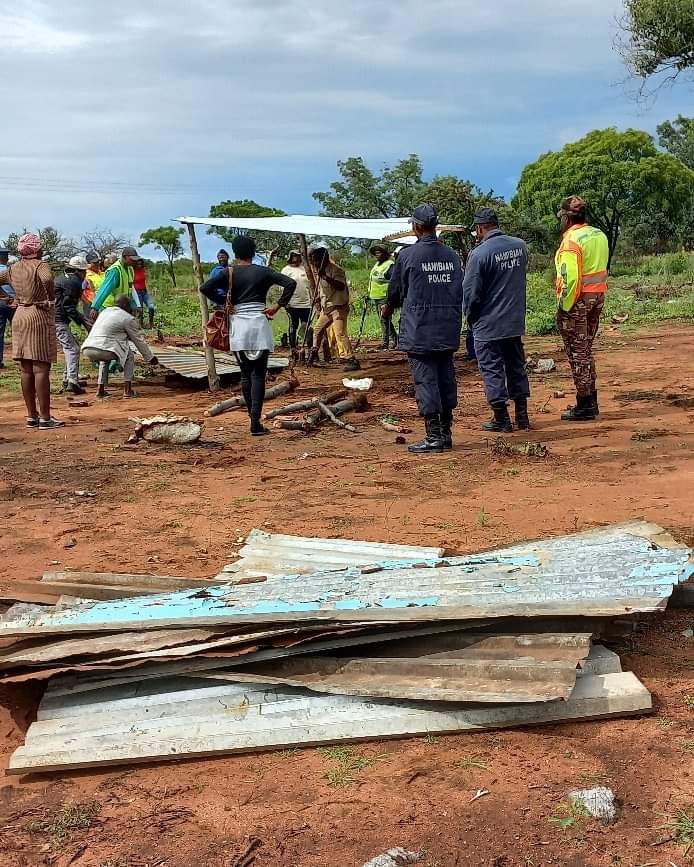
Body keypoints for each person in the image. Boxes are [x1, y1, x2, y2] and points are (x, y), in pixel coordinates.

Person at [383, 204, 464, 453]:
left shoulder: (407, 256)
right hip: (448, 327)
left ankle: (434, 436)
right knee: (445, 377)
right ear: (434, 226)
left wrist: (387, 308)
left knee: (426, 380)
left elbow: (395, 291)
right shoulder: (452, 255)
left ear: (416, 227)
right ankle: (446, 433)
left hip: (420, 329)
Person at [200, 235, 297, 435]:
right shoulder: (264, 271)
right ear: (254, 252)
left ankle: (252, 418)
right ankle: (255, 421)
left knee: (246, 375)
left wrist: (225, 302)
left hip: (239, 326)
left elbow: (205, 288)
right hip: (260, 324)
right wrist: (277, 306)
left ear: (234, 253)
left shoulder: (229, 272)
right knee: (259, 374)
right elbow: (290, 284)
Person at [463, 208, 531, 433]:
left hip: (488, 323)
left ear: (480, 228)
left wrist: (469, 317)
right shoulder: (520, 246)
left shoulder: (479, 254)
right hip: (513, 321)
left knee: (492, 368)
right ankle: (522, 416)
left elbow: (471, 293)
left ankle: (501, 418)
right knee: (516, 366)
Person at [555, 195, 609, 421]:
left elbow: (571, 281)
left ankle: (585, 403)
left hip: (577, 302)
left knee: (578, 353)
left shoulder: (571, 242)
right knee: (586, 348)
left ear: (567, 217)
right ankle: (590, 400)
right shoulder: (599, 234)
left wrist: (564, 308)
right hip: (597, 297)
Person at [0, 233, 63, 429]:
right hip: (38, 314)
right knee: (41, 367)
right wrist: (50, 298)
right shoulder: (40, 265)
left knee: (26, 368)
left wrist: (9, 299)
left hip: (20, 314)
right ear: (37, 250)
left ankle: (31, 416)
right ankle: (45, 418)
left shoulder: (13, 268)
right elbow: (47, 279)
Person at [81, 295, 158, 399]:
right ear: (126, 305)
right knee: (129, 354)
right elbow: (138, 341)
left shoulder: (105, 312)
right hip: (104, 349)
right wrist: (149, 357)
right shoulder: (127, 318)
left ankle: (100, 390)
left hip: (88, 348)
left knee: (105, 359)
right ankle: (127, 391)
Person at [307, 246, 360, 372]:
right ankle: (314, 353)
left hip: (338, 306)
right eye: (313, 260)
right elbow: (322, 290)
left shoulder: (336, 270)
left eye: (317, 260)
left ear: (323, 258)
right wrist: (318, 299)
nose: (315, 263)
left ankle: (351, 359)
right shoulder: (319, 272)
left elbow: (340, 286)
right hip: (327, 307)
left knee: (340, 334)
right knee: (317, 330)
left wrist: (325, 277)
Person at [54, 255, 91, 395]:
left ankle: (68, 378)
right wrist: (84, 323)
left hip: (54, 319)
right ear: (78, 271)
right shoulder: (74, 282)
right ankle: (72, 382)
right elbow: (68, 306)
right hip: (58, 320)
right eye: (84, 272)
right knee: (73, 348)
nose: (85, 275)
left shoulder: (61, 278)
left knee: (69, 347)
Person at [91, 246, 141, 315]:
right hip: (109, 307)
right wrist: (95, 307)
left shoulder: (130, 269)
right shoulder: (115, 270)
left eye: (135, 260)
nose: (134, 262)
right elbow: (105, 289)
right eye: (132, 259)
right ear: (125, 257)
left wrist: (136, 305)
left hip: (121, 307)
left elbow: (130, 289)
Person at [281, 250, 313, 351]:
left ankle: (309, 348)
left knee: (306, 326)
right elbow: (282, 287)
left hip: (306, 304)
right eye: (294, 255)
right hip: (292, 303)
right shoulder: (286, 270)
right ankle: (293, 348)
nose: (296, 257)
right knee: (293, 326)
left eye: (298, 255)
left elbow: (310, 285)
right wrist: (285, 302)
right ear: (290, 257)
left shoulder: (305, 269)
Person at [368, 244, 398, 350]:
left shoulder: (389, 265)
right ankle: (396, 340)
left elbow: (394, 281)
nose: (377, 254)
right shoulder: (377, 264)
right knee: (386, 320)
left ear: (385, 254)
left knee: (384, 320)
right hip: (376, 297)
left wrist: (389, 301)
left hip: (384, 297)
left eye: (379, 252)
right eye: (376, 252)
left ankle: (385, 343)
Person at [0, 248, 15, 369]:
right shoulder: (10, 271)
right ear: (5, 258)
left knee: (0, 332)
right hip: (13, 304)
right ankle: (22, 358)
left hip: (0, 303)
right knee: (19, 332)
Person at [82, 253, 104, 323]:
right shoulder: (85, 275)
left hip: (102, 304)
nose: (97, 264)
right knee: (91, 325)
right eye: (94, 263)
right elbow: (80, 291)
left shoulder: (103, 273)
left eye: (98, 262)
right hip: (90, 305)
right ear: (88, 264)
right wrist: (88, 303)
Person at [133, 258, 155, 328]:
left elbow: (147, 281)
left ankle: (151, 323)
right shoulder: (132, 271)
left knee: (151, 307)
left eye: (140, 264)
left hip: (145, 292)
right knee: (140, 310)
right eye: (138, 264)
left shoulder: (143, 270)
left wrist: (149, 291)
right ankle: (141, 325)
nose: (139, 265)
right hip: (137, 292)